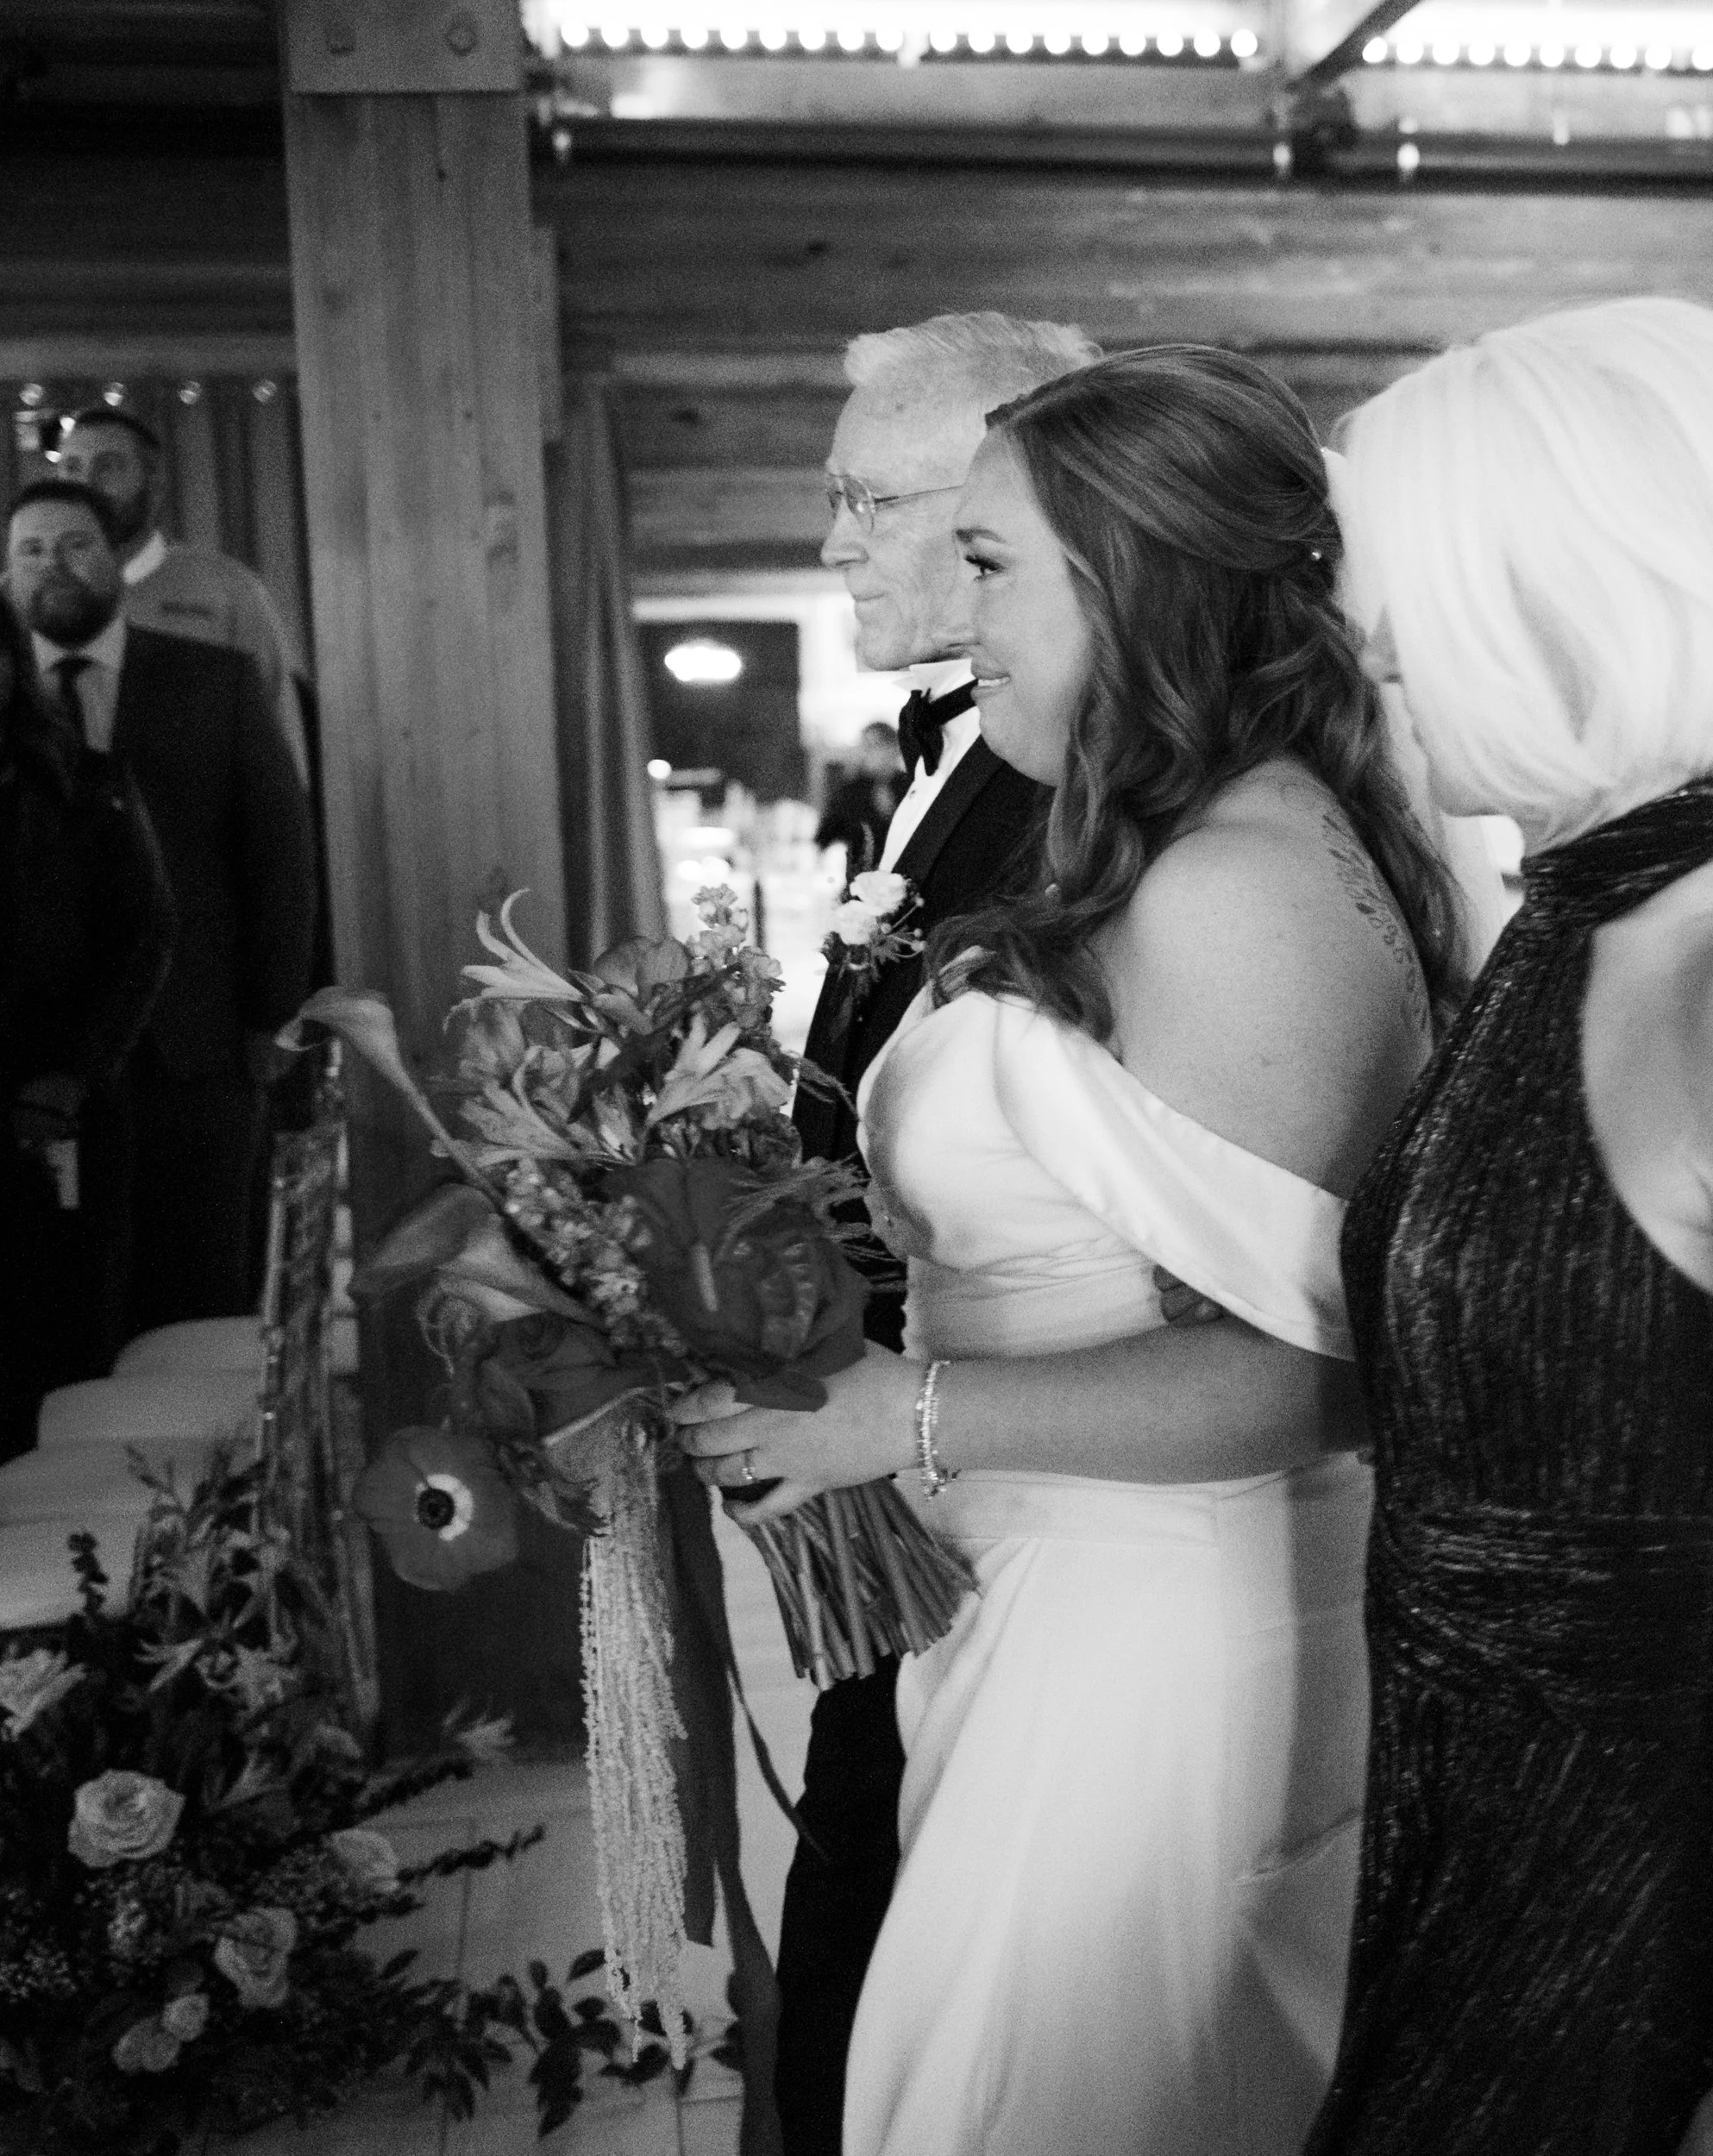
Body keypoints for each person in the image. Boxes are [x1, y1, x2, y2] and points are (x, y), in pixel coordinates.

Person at [675, 346, 1475, 2156]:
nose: (962, 612)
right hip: (1045, 1592)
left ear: (1134, 577)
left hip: (1155, 1640)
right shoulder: (1164, 837)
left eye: (990, 560)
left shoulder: (1234, 884)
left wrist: (893, 1415)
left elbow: (1333, 1373)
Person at [1312, 298, 1713, 2156]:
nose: (1372, 648)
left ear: (1564, 599)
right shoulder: (1568, 911)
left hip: (1661, 1883)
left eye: (1409, 603)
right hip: (1477, 1844)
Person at [655, 312, 1095, 2156]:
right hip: (900, 1439)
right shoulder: (959, 749)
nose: (832, 541)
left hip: (1006, 1460)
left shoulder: (1082, 787)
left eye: (871, 500)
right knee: (865, 1876)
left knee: (897, 1925)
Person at [6, 480, 316, 1332]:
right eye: (31, 550)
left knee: (201, 1286)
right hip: (36, 1060)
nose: (54, 566)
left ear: (118, 561)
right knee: (56, 1307)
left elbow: (279, 854)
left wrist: (275, 1013)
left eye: (75, 545)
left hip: (195, 1038)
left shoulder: (213, 679)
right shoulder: (7, 699)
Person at [1, 594, 176, 1457]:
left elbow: (144, 936)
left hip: (63, 1106)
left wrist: (71, 1073)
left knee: (64, 1339)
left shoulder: (87, 781)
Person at [56, 406, 312, 785]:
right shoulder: (17, 595)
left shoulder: (229, 592)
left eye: (108, 467)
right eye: (72, 468)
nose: (86, 484)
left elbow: (280, 747)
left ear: (154, 486)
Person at [815, 718, 907, 882]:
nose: (866, 753)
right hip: (859, 880)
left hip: (903, 878)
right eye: (864, 746)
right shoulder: (850, 791)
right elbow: (825, 836)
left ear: (894, 748)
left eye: (874, 746)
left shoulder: (911, 786)